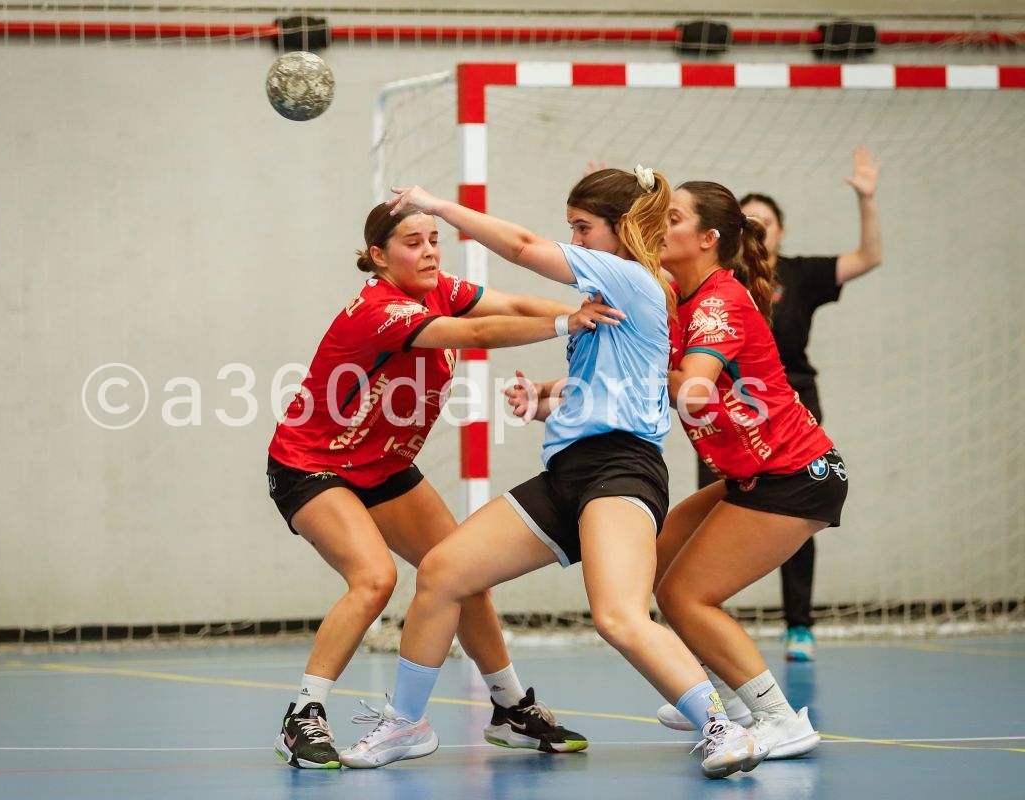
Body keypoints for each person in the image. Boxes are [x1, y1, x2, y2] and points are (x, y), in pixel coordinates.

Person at [341, 168, 768, 780]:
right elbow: (613, 387)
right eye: (571, 229)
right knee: (442, 572)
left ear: (621, 232)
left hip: (621, 473)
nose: (576, 240)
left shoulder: (628, 276)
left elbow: (517, 245)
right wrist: (546, 401)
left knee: (618, 615)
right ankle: (407, 723)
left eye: (583, 229)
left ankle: (722, 727)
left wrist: (437, 205)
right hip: (571, 471)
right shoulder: (614, 296)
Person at [267, 200, 616, 769]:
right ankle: (303, 714)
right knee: (374, 578)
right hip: (313, 464)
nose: (429, 251)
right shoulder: (379, 311)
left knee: (462, 573)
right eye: (413, 242)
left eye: (434, 239)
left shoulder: (441, 289)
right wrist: (565, 322)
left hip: (383, 466)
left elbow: (516, 302)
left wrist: (589, 310)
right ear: (379, 256)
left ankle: (509, 708)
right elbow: (478, 331)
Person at [654, 180, 850, 758]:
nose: (659, 228)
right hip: (753, 476)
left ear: (709, 239)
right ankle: (729, 698)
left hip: (796, 475)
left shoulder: (719, 301)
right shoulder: (678, 297)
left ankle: (778, 718)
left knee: (687, 597)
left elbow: (691, 388)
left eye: (671, 218)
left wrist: (631, 376)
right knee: (660, 552)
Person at [722, 146, 881, 662]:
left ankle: (799, 626)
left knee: (791, 512)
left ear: (781, 231)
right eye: (747, 219)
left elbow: (868, 258)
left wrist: (867, 200)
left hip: (794, 405)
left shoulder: (803, 274)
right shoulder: (718, 282)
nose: (756, 226)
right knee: (719, 509)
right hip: (728, 409)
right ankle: (704, 619)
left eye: (764, 219)